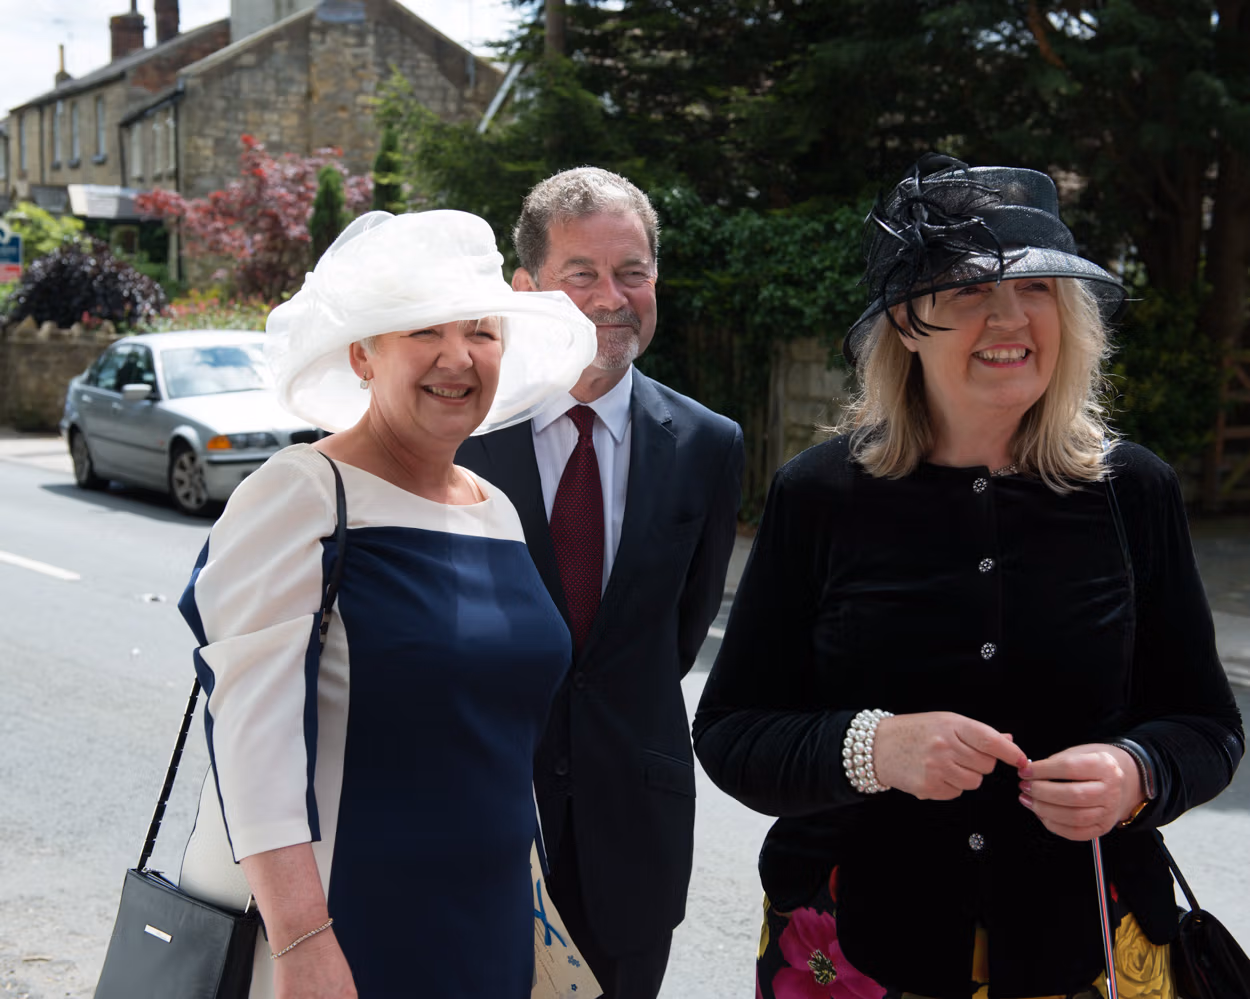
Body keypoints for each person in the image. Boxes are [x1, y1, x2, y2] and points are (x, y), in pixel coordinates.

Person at [693, 156, 1245, 999]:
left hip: (1086, 945)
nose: (1009, 316)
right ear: (905, 322)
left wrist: (1136, 769)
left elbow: (1208, 725)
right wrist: (873, 747)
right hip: (855, 946)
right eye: (968, 288)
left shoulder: (1133, 490)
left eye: (1036, 288)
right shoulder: (819, 494)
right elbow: (732, 731)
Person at [175, 209, 598, 999]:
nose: (457, 357)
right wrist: (302, 941)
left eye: (480, 331)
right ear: (362, 355)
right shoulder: (300, 495)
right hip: (349, 928)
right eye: (422, 329)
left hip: (489, 923)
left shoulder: (497, 510)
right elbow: (252, 744)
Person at [456, 167, 745, 998]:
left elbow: (678, 635)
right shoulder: (464, 433)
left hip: (635, 842)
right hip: (478, 828)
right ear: (525, 291)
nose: (611, 298)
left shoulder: (708, 445)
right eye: (581, 273)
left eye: (632, 272)